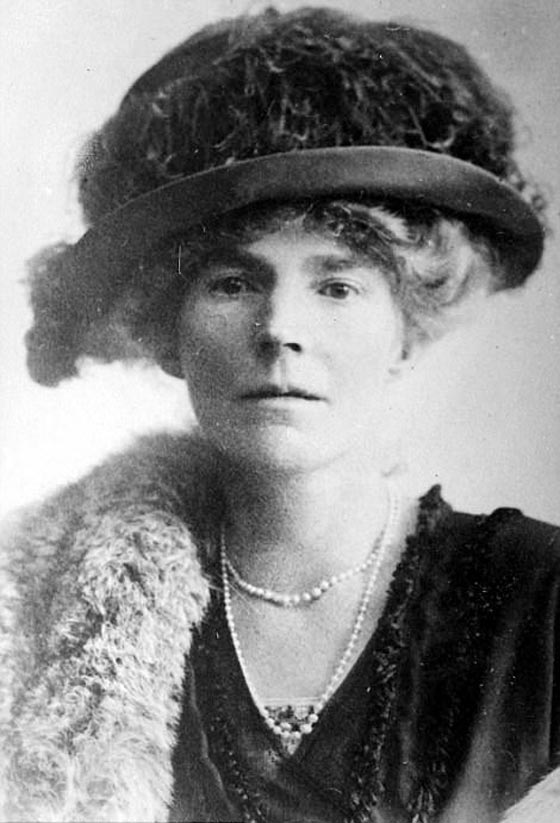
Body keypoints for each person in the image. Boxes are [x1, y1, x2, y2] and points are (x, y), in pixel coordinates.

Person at [0, 6, 558, 822]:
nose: (280, 329)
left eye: (337, 285)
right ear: (167, 330)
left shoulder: (536, 600)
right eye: (233, 283)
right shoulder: (40, 612)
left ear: (407, 330)